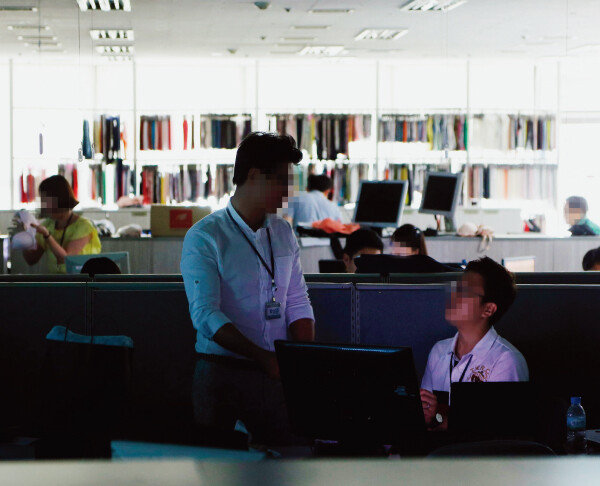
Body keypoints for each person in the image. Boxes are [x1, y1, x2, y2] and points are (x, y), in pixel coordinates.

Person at [181, 132, 315, 446]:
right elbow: (205, 314)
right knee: (222, 466)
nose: (289, 192)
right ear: (253, 175)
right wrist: (263, 358)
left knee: (288, 462)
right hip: (222, 376)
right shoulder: (206, 236)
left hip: (278, 375)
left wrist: (304, 358)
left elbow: (297, 300)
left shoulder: (282, 232)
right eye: (281, 181)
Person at [420, 257, 528, 430]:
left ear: (488, 309)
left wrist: (440, 420)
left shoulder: (506, 360)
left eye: (464, 292)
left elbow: (497, 429)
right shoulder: (439, 350)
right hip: (436, 445)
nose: (454, 297)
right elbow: (426, 415)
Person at [22, 175, 101, 274]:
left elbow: (66, 260)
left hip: (82, 281)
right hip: (56, 281)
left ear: (58, 199)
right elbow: (31, 260)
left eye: (45, 200)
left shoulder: (83, 226)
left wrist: (47, 236)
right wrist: (24, 237)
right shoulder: (48, 224)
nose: (43, 205)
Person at [353, 224, 455, 274]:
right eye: (392, 255)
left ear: (416, 252)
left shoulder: (430, 278)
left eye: (399, 256)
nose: (394, 260)